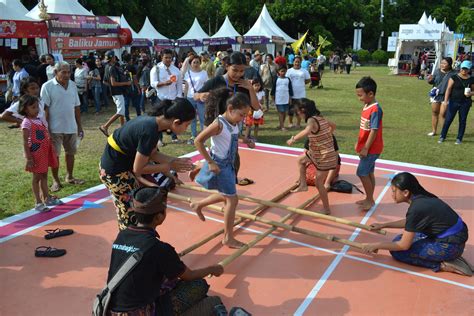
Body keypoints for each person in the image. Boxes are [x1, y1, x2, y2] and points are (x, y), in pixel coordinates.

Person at [106, 186, 225, 315]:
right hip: (141, 312)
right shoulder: (159, 249)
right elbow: (189, 276)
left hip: (112, 310)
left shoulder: (122, 235)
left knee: (169, 279)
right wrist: (213, 268)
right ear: (158, 217)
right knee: (199, 286)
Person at [100, 98, 195, 230]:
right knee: (130, 214)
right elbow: (139, 169)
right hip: (115, 171)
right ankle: (128, 244)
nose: (187, 129)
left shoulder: (153, 123)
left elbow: (153, 154)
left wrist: (173, 161)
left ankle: (133, 242)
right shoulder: (149, 130)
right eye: (187, 125)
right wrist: (169, 166)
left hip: (120, 167)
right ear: (176, 122)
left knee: (135, 210)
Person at [361, 172, 472, 276]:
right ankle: (449, 256)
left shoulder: (416, 208)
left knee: (398, 252)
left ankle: (443, 265)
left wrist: (377, 245)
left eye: (394, 191)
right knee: (399, 238)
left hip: (450, 246)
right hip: (455, 238)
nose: (392, 194)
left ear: (405, 192)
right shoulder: (423, 197)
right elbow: (412, 222)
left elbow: (403, 246)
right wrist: (383, 225)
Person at [192, 92, 251, 248]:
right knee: (232, 199)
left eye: (244, 115)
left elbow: (231, 137)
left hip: (229, 164)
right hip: (220, 164)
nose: (243, 118)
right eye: (241, 114)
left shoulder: (233, 123)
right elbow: (198, 141)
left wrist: (246, 140)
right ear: (230, 108)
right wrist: (210, 162)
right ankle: (228, 237)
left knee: (226, 195)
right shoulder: (219, 124)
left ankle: (198, 205)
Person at [194, 51, 261, 186]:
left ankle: (225, 178)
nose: (238, 74)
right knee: (219, 155)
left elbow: (256, 106)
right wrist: (201, 96)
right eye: (235, 70)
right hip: (215, 123)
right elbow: (196, 94)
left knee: (231, 155)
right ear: (226, 66)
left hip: (233, 123)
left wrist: (250, 89)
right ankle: (208, 172)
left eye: (242, 71)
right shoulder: (217, 80)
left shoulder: (243, 84)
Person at [286, 99, 337, 215]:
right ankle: (303, 185)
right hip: (317, 153)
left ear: (304, 111)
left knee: (319, 183)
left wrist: (293, 139)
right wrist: (328, 134)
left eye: (298, 112)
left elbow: (307, 130)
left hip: (325, 156)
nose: (297, 114)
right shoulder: (321, 118)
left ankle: (327, 209)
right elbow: (333, 125)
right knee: (300, 160)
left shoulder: (311, 120)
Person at [41, 61, 84, 192]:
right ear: (56, 72)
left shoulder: (72, 85)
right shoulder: (47, 86)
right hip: (54, 128)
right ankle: (56, 180)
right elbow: (45, 110)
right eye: (63, 72)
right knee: (55, 156)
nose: (66, 75)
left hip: (71, 126)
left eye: (68, 72)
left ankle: (69, 177)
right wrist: (46, 128)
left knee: (71, 153)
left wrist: (79, 126)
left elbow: (77, 107)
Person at [19, 95, 62, 212]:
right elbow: (25, 141)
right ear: (25, 109)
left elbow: (44, 134)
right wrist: (29, 158)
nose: (37, 109)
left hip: (44, 152)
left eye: (37, 106)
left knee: (44, 175)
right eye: (33, 107)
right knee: (37, 177)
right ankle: (38, 202)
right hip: (35, 154)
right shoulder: (26, 123)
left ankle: (46, 198)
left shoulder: (38, 120)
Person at [354, 76, 383, 211]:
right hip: (366, 147)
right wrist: (358, 143)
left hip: (372, 149)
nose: (359, 98)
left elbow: (374, 131)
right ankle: (369, 198)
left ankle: (370, 200)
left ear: (370, 94)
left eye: (360, 95)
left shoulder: (375, 109)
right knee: (369, 173)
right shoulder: (367, 106)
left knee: (362, 173)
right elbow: (363, 129)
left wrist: (365, 148)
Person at [150, 49, 183, 143]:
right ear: (162, 57)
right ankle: (159, 139)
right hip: (161, 98)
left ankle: (174, 137)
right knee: (159, 119)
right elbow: (153, 83)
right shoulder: (156, 69)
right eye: (166, 57)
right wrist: (164, 83)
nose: (168, 59)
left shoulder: (176, 70)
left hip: (173, 98)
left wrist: (179, 97)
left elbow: (179, 85)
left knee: (174, 119)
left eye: (170, 57)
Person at [438, 60, 473, 145]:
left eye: (466, 69)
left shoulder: (472, 79)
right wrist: (445, 101)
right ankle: (442, 136)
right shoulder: (454, 77)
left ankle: (459, 138)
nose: (464, 70)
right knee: (448, 119)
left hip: (465, 102)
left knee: (462, 120)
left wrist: (471, 93)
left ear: (469, 69)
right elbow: (448, 89)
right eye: (463, 68)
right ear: (460, 68)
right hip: (454, 101)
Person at [99, 51, 131, 137]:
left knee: (121, 110)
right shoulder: (112, 68)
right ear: (113, 57)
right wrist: (126, 83)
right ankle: (105, 126)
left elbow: (105, 81)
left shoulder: (106, 67)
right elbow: (113, 83)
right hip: (117, 92)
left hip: (114, 93)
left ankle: (122, 127)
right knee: (120, 112)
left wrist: (111, 87)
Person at [426, 57, 457, 136]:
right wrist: (429, 80)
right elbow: (433, 82)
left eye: (444, 63)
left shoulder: (454, 73)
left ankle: (443, 133)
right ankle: (434, 131)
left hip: (447, 96)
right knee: (435, 112)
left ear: (449, 65)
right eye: (442, 63)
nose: (442, 65)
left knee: (443, 114)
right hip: (436, 95)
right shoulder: (437, 71)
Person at [182, 55, 208, 145]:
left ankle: (203, 135)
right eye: (194, 62)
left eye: (197, 62)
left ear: (200, 63)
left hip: (201, 98)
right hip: (190, 97)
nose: (196, 64)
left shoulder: (204, 73)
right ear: (191, 64)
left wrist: (205, 96)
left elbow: (206, 85)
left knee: (202, 117)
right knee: (192, 118)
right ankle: (193, 135)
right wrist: (184, 98)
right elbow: (186, 86)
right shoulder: (187, 73)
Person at [286, 56, 311, 129]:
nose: (297, 63)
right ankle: (290, 123)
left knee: (300, 110)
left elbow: (308, 80)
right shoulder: (289, 71)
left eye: (298, 62)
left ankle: (298, 123)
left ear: (301, 62)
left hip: (301, 94)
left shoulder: (304, 71)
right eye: (295, 61)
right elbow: (287, 80)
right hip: (291, 94)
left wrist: (301, 83)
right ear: (293, 62)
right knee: (291, 110)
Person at [271, 65, 293, 131]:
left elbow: (290, 89)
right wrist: (273, 99)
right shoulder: (276, 79)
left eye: (284, 71)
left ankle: (281, 124)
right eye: (281, 71)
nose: (283, 73)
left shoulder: (288, 79)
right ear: (278, 72)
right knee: (280, 112)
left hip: (286, 99)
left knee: (284, 112)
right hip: (279, 99)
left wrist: (290, 98)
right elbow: (273, 90)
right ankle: (282, 126)